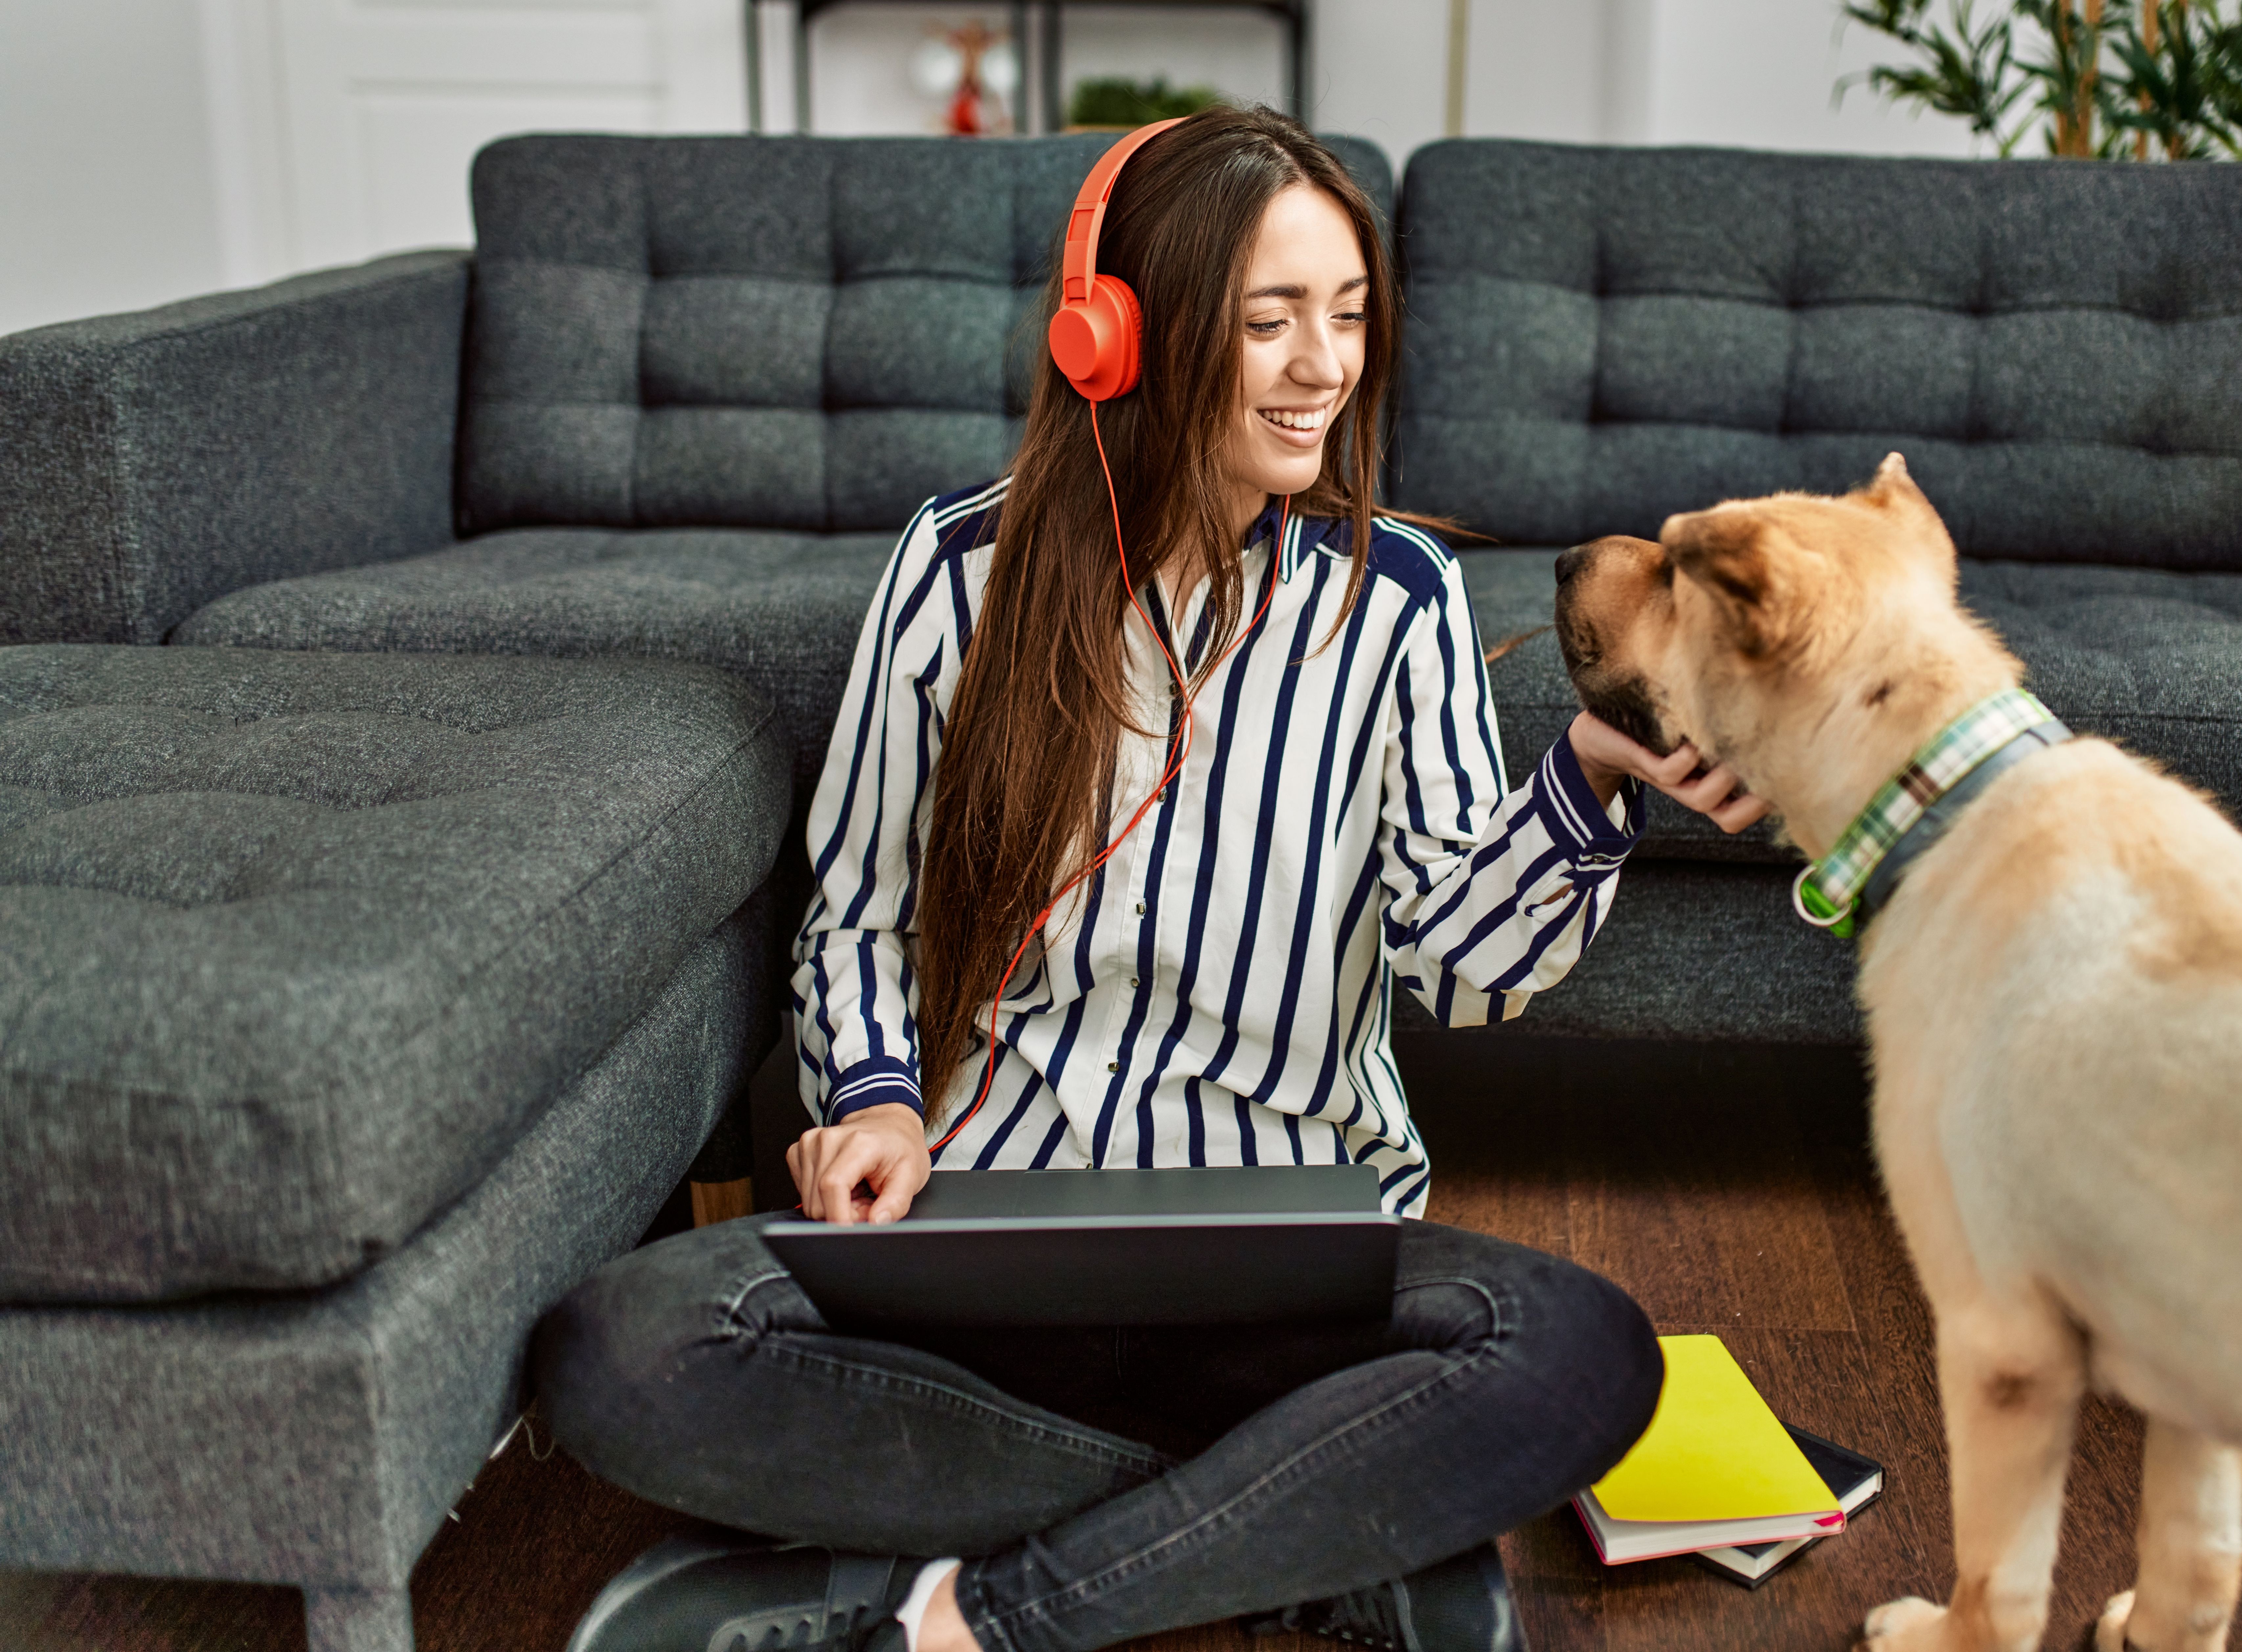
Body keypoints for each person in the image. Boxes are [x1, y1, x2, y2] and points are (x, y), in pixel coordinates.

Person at [533, 105, 1769, 1652]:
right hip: (978, 1263)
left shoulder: (1397, 603)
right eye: (1269, 321)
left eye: (1346, 316)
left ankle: (980, 1613)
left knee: (1576, 1349)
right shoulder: (956, 574)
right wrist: (869, 1100)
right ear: (1122, 334)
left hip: (1291, 1297)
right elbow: (857, 912)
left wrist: (1585, 781)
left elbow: (1461, 964)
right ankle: (1281, 1523)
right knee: (618, 1348)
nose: (1324, 366)